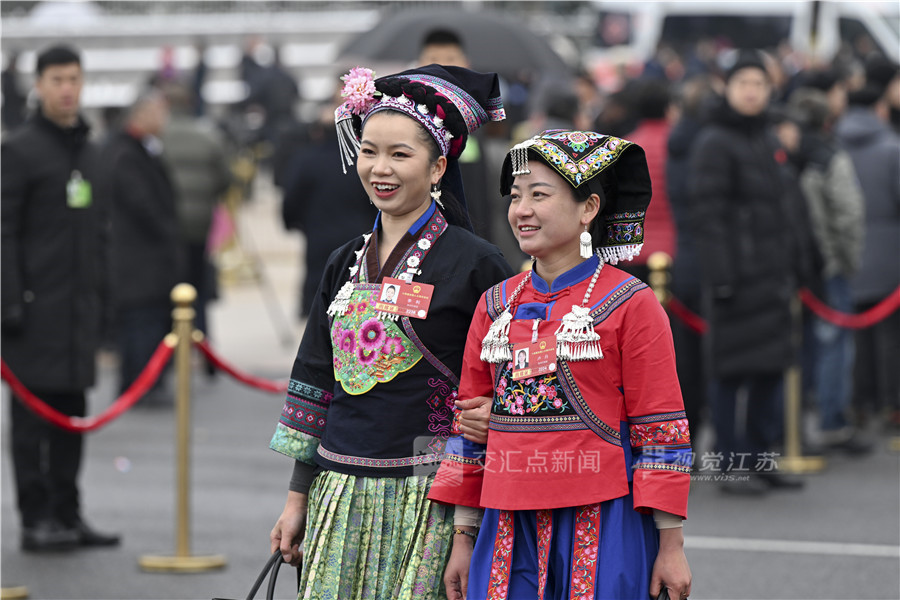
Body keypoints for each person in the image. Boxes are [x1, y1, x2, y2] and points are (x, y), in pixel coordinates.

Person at [267, 64, 513, 598]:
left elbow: (510, 383)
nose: (380, 168)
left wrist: (469, 522)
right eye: (370, 150)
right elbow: (315, 378)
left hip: (431, 501)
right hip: (339, 493)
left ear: (438, 166)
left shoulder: (478, 265)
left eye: (400, 154)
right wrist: (297, 499)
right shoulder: (343, 262)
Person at [430, 130, 692, 600]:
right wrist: (463, 538)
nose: (521, 210)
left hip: (603, 520)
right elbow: (466, 430)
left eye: (539, 195)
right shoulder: (495, 305)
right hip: (506, 522)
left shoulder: (630, 303)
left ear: (588, 208)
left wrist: (670, 545)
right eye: (515, 197)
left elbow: (661, 427)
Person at [1, 44, 120, 551]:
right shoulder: (20, 150)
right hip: (31, 312)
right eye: (56, 79)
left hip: (78, 313)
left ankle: (68, 512)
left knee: (72, 417)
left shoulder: (91, 153)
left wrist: (105, 303)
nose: (67, 88)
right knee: (31, 421)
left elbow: (99, 235)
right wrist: (10, 302)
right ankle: (36, 518)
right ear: (39, 85)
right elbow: (2, 232)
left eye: (74, 78)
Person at [689, 50, 811, 495]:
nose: (752, 91)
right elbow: (708, 215)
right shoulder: (715, 141)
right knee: (730, 374)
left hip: (772, 275)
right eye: (744, 83)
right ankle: (730, 462)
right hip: (735, 280)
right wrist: (721, 276)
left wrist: (799, 263)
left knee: (769, 371)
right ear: (727, 88)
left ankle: (760, 458)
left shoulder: (766, 137)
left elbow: (787, 207)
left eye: (759, 84)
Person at [785, 87, 868, 452]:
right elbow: (849, 214)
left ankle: (790, 427)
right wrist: (848, 260)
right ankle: (832, 421)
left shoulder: (784, 158)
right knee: (834, 346)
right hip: (829, 262)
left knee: (797, 349)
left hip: (793, 265)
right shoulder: (830, 157)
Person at [104, 89, 182, 400]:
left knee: (145, 319)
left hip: (144, 257)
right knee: (141, 322)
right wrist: (166, 230)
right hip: (138, 257)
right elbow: (142, 203)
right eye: (159, 113)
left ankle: (140, 384)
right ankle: (141, 385)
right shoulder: (126, 153)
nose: (164, 120)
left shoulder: (141, 149)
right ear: (143, 115)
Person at [835, 75, 900, 431]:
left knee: (854, 336)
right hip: (890, 254)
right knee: (890, 336)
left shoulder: (834, 145)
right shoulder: (893, 148)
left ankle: (858, 403)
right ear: (879, 108)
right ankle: (892, 406)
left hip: (849, 254)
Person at [280, 84, 378, 319]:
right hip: (360, 237)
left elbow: (290, 201)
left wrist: (295, 223)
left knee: (318, 301)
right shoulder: (367, 161)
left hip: (318, 237)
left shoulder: (307, 160)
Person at [161, 82, 232, 344]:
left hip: (167, 225)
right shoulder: (208, 136)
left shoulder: (158, 137)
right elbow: (226, 179)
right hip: (200, 222)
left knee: (169, 287)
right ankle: (204, 344)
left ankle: (170, 347)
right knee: (198, 288)